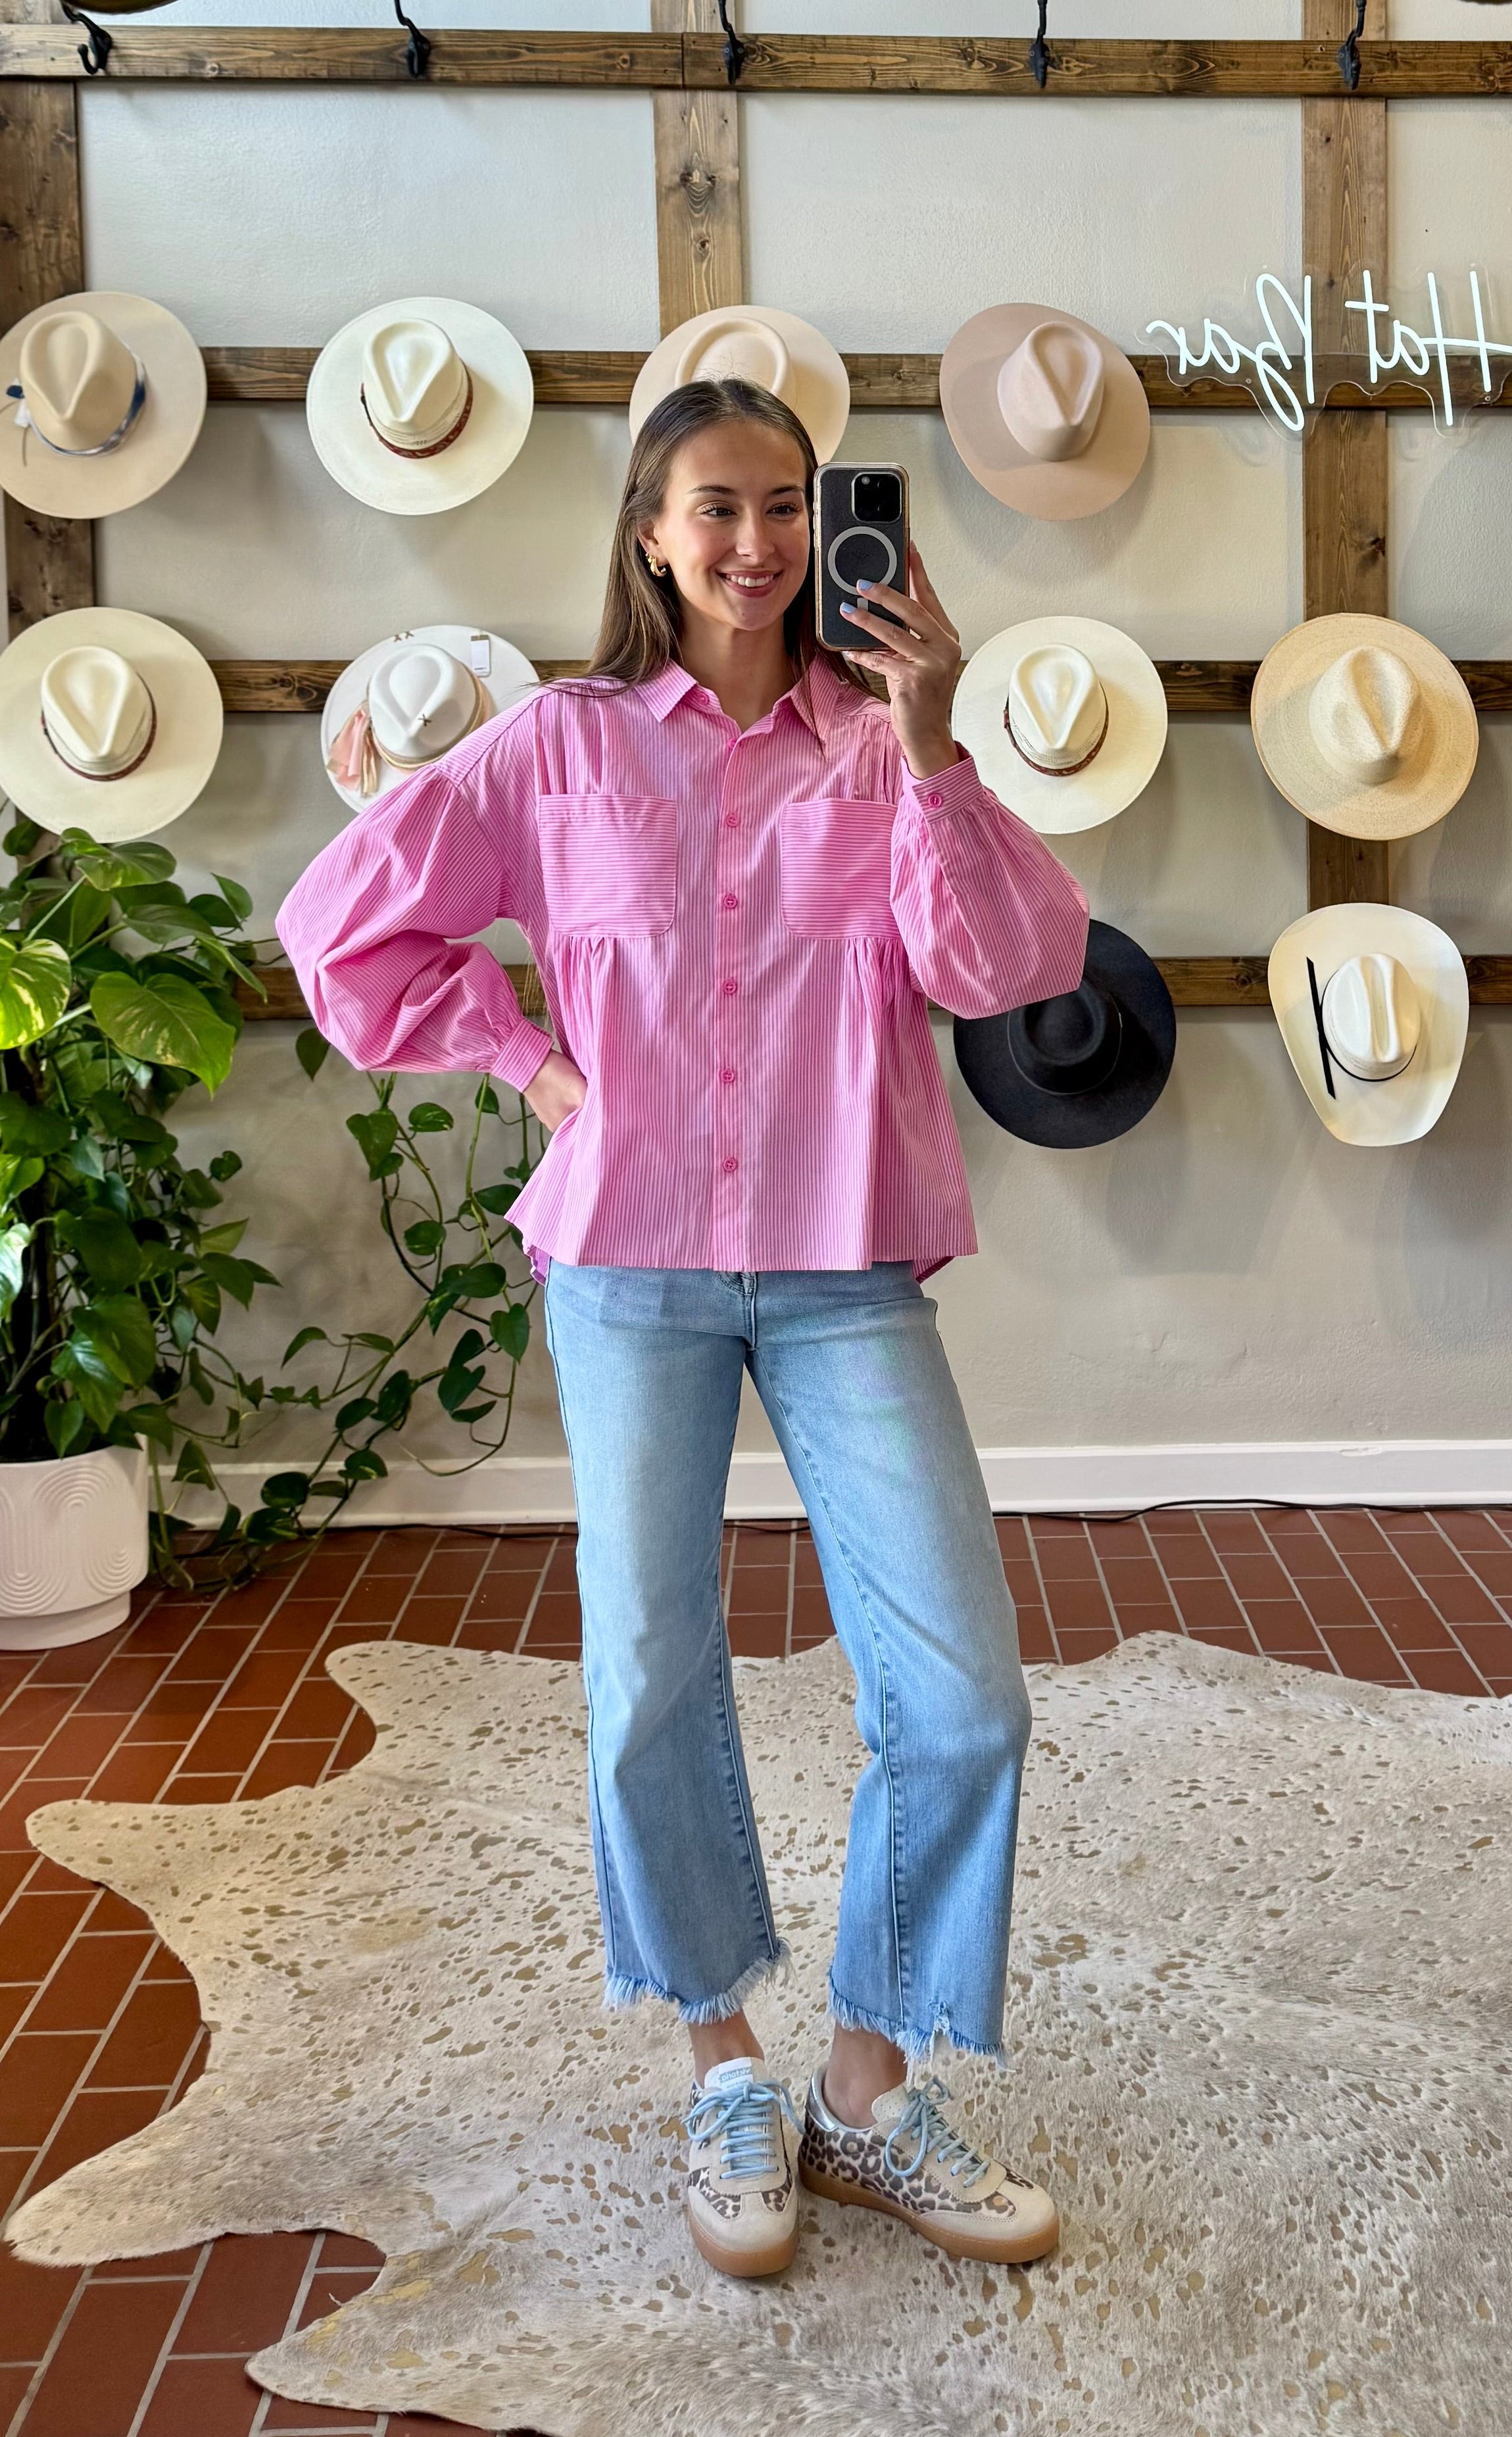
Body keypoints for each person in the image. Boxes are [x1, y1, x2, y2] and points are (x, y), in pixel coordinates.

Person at [277, 376, 1089, 2283]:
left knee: (964, 1699)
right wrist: (526, 1059)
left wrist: (935, 738)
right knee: (649, 1678)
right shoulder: (555, 748)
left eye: (787, 504)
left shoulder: (884, 748)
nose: (757, 543)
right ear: (650, 533)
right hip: (629, 1265)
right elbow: (343, 932)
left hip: (842, 1266)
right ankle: (724, 2065)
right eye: (716, 506)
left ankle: (866, 2089)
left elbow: (1003, 967)